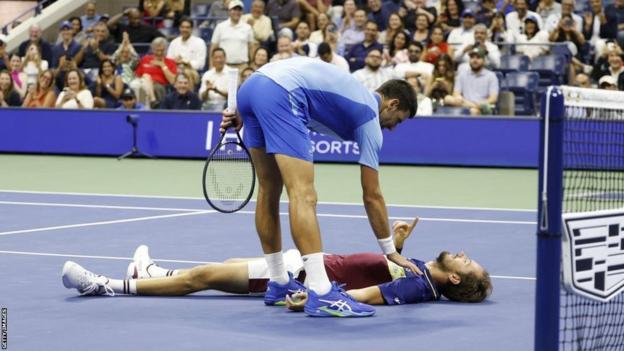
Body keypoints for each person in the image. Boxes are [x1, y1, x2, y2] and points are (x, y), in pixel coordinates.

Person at [219, 57, 419, 317]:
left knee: (269, 189)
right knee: (304, 194)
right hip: (281, 91)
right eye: (399, 120)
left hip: (251, 87)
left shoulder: (352, 94)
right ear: (393, 104)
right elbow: (372, 196)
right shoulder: (370, 116)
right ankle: (322, 292)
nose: (393, 127)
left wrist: (247, 110)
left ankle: (279, 282)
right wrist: (391, 252)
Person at [61, 219, 493, 307]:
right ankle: (152, 274)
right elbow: (375, 270)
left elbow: (371, 294)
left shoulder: (421, 286)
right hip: (302, 263)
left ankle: (105, 285)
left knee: (204, 277)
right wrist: (394, 245)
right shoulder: (419, 268)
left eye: (467, 263)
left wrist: (313, 297)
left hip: (299, 275)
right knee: (226, 264)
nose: (463, 253)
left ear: (455, 278)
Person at [444, 48, 499, 115]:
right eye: (472, 57)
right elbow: (456, 93)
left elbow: (493, 99)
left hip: (482, 107)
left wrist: (479, 105)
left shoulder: (491, 76)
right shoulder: (462, 75)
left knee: (474, 111)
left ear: (484, 61)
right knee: (447, 98)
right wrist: (459, 98)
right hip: (464, 105)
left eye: (478, 58)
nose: (474, 60)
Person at [132, 37, 177, 108]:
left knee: (145, 84)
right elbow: (138, 75)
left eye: (162, 50)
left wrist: (163, 66)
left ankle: (143, 108)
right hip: (143, 82)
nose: (159, 53)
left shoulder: (170, 62)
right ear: (153, 49)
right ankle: (151, 102)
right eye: (157, 50)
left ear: (165, 50)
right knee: (140, 82)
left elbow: (173, 81)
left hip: (159, 85)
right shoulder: (145, 59)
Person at [210, 0, 254, 68]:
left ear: (242, 12)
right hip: (224, 67)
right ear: (229, 11)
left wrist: (251, 65)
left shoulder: (247, 28)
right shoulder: (220, 27)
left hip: (242, 66)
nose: (237, 12)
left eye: (239, 10)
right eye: (234, 9)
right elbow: (213, 47)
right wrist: (211, 66)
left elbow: (251, 49)